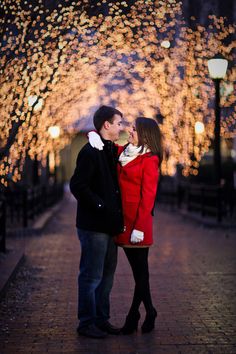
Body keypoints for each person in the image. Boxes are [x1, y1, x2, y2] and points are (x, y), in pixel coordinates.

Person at [89, 116, 163, 334]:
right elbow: (106, 144)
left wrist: (139, 227)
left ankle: (134, 315)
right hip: (123, 222)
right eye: (130, 128)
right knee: (139, 273)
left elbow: (148, 197)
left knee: (141, 273)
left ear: (145, 134)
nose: (130, 131)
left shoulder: (150, 160)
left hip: (138, 225)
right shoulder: (125, 152)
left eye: (134, 129)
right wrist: (91, 134)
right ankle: (148, 311)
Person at [70, 105, 124, 339]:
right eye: (119, 123)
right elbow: (77, 185)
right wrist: (100, 205)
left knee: (107, 276)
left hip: (109, 226)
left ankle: (102, 320)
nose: (121, 127)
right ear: (107, 125)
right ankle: (86, 322)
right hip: (93, 226)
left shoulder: (110, 150)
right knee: (91, 275)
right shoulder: (90, 152)